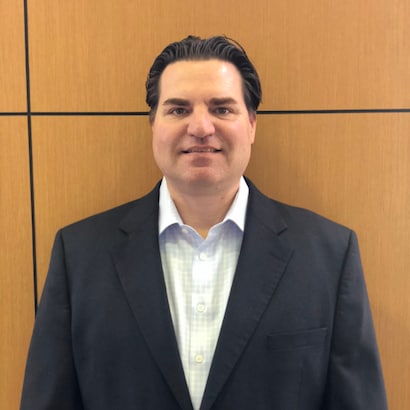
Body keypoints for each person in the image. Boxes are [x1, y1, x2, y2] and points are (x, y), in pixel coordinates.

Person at [21, 35, 388, 410]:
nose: (200, 127)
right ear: (153, 124)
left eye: (222, 109)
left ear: (252, 124)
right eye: (178, 109)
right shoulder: (79, 256)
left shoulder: (329, 255)